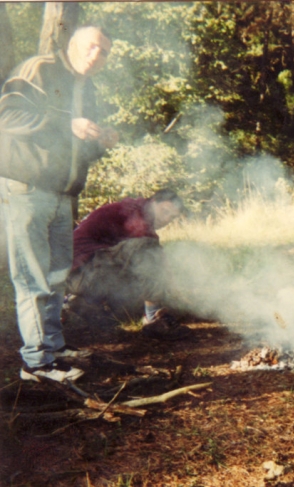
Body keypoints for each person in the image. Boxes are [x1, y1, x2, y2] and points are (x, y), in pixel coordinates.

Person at [0, 26, 118, 383]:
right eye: (91, 46)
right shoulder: (40, 68)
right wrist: (68, 124)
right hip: (27, 189)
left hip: (63, 195)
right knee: (32, 277)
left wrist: (102, 140)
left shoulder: (89, 88)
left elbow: (77, 146)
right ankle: (36, 364)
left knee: (56, 276)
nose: (96, 54)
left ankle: (53, 346)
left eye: (104, 51)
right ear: (73, 46)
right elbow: (8, 116)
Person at [66, 189, 190, 340]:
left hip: (88, 273)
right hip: (79, 272)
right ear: (153, 201)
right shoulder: (136, 214)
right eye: (165, 211)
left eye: (172, 217)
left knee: (135, 301)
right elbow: (153, 256)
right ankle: (153, 316)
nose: (166, 219)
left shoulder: (139, 211)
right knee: (147, 248)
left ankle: (81, 305)